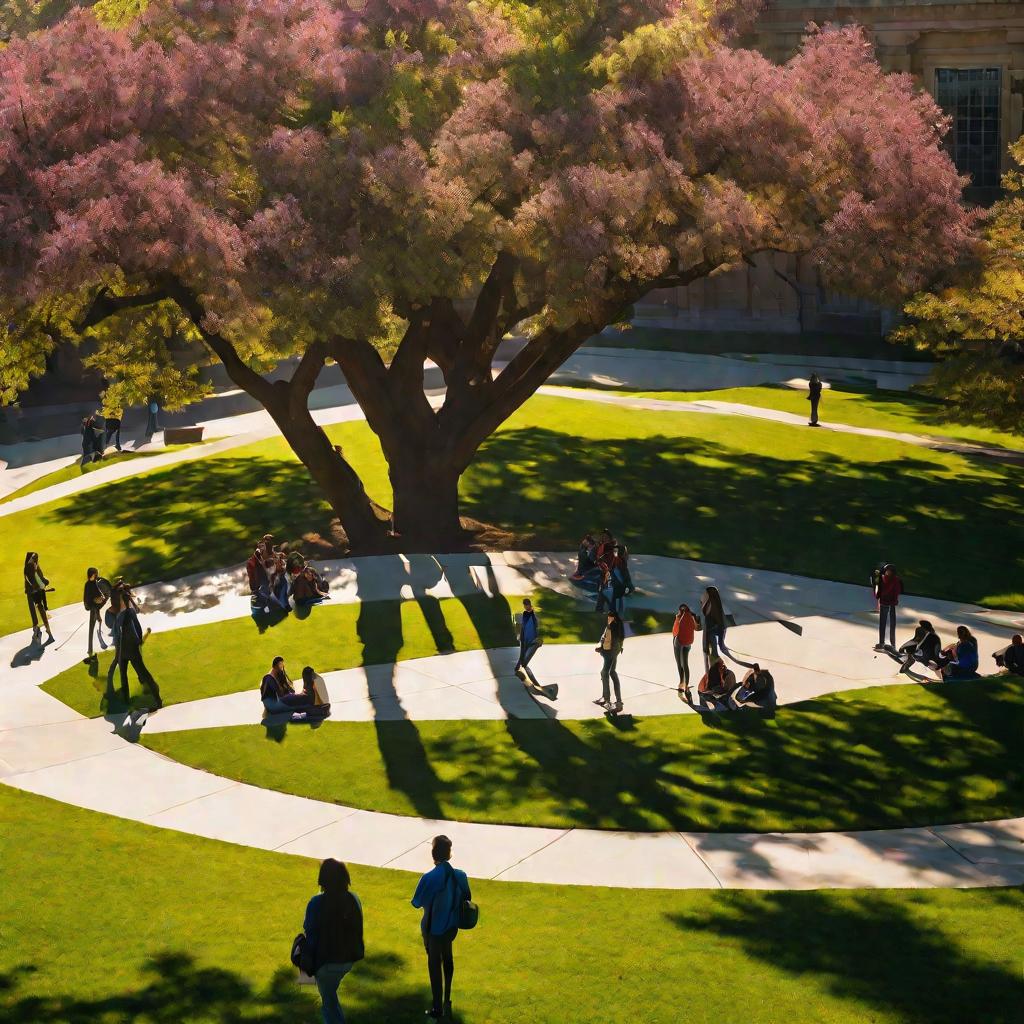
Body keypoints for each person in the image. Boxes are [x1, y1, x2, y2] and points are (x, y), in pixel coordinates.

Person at [411, 835, 472, 1021]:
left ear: (433, 853)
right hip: (451, 927)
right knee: (448, 960)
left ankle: (437, 1007)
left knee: (434, 965)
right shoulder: (460, 875)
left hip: (434, 929)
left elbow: (417, 902)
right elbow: (467, 896)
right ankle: (447, 999)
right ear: (449, 853)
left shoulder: (429, 877)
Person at [302, 859, 364, 1024]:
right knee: (330, 998)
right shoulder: (354, 899)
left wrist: (307, 964)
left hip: (326, 963)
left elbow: (309, 931)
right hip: (348, 959)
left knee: (328, 1004)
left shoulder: (316, 903)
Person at [116, 589, 162, 708]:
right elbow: (137, 627)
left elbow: (132, 629)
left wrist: (137, 641)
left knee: (142, 674)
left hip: (128, 648)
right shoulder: (129, 612)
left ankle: (155, 699)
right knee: (140, 674)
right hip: (128, 648)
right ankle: (154, 699)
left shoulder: (125, 614)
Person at [593, 610, 625, 712]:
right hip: (611, 653)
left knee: (605, 673)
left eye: (609, 617)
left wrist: (601, 648)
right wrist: (600, 645)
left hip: (610, 654)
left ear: (612, 617)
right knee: (611, 672)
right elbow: (605, 637)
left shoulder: (613, 626)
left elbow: (611, 642)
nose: (608, 619)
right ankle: (612, 700)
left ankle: (608, 700)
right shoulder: (615, 625)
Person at [24, 551, 54, 643]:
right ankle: (40, 628)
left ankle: (44, 628)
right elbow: (31, 580)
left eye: (34, 558)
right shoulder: (29, 568)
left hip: (35, 592)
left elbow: (38, 577)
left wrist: (45, 582)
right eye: (32, 558)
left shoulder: (33, 566)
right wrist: (41, 584)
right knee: (36, 609)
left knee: (38, 608)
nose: (33, 560)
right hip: (33, 591)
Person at [872, 564, 903, 651]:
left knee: (892, 625)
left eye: (889, 571)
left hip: (891, 604)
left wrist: (894, 601)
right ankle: (881, 643)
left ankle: (893, 645)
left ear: (892, 572)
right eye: (886, 571)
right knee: (882, 624)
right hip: (884, 603)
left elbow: (896, 591)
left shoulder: (895, 580)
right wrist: (878, 593)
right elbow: (880, 590)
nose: (887, 572)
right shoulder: (882, 578)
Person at [82, 567, 110, 660]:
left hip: (95, 608)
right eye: (96, 574)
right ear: (93, 574)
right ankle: (90, 649)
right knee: (91, 629)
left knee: (92, 628)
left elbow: (99, 595)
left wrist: (100, 599)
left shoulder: (92, 584)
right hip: (93, 609)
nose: (97, 575)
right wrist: (94, 602)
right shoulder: (90, 584)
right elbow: (86, 598)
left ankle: (90, 649)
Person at [513, 598, 542, 687]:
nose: (526, 607)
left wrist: (539, 638)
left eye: (527, 605)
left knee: (524, 662)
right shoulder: (524, 615)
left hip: (533, 642)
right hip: (524, 641)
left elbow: (538, 627)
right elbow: (520, 626)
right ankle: (517, 670)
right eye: (525, 606)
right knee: (522, 658)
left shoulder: (534, 615)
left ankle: (536, 684)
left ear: (529, 605)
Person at [672, 603, 699, 693]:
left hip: (679, 642)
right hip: (688, 643)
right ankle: (687, 686)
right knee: (685, 664)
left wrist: (677, 618)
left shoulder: (679, 617)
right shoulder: (691, 617)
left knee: (679, 664)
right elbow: (696, 628)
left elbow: (675, 630)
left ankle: (681, 683)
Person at [700, 586, 727, 667]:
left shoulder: (709, 603)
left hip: (711, 629)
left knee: (712, 651)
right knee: (712, 649)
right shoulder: (717, 604)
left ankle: (714, 662)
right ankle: (715, 659)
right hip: (714, 628)